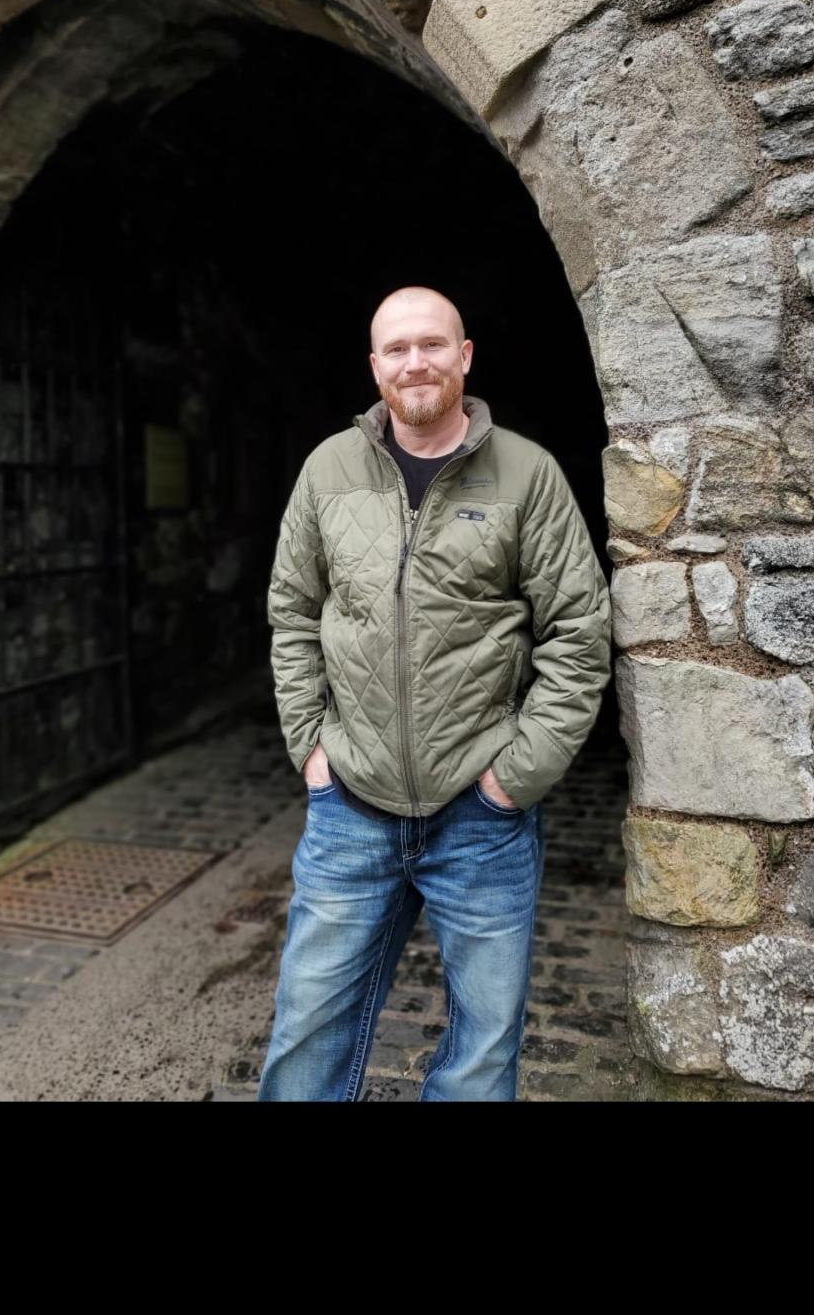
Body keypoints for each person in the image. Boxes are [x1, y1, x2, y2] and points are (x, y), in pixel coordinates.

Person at [255, 285, 611, 1102]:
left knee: (482, 1053)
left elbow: (578, 633)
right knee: (306, 1035)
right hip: (350, 804)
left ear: (465, 356)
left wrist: (512, 779)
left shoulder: (527, 473)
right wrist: (311, 749)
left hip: (480, 817)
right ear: (375, 366)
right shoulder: (327, 470)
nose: (415, 361)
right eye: (397, 348)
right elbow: (293, 613)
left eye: (432, 344)